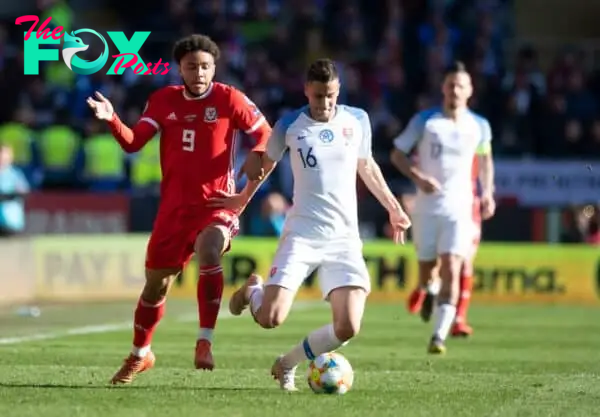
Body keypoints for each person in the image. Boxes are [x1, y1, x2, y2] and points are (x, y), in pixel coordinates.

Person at [213, 58, 411, 391]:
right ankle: (254, 291)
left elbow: (368, 167)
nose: (325, 103)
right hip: (302, 233)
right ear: (306, 90)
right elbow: (265, 170)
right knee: (270, 318)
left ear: (338, 91)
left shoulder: (357, 120)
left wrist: (394, 208)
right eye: (318, 96)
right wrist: (239, 202)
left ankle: (286, 364)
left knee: (347, 326)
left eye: (331, 95)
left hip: (344, 238)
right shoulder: (290, 124)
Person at [87, 34, 272, 384]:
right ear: (180, 70)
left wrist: (256, 155)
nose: (199, 72)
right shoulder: (162, 100)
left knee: (210, 250)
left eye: (205, 66)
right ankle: (140, 355)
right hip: (174, 210)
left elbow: (266, 133)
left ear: (214, 68)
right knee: (156, 286)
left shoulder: (230, 98)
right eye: (191, 67)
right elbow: (133, 143)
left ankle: (205, 341)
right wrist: (112, 118)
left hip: (216, 203)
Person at [390, 61, 495, 354]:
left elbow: (485, 161)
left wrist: (487, 192)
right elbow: (397, 153)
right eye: (450, 85)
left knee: (453, 265)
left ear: (470, 90)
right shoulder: (425, 121)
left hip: (460, 207)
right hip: (426, 207)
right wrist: (416, 176)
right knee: (428, 272)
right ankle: (429, 291)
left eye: (461, 85)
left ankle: (438, 336)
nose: (455, 90)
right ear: (443, 88)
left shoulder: (479, 126)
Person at [409, 157, 483, 338]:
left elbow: (486, 160)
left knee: (462, 262)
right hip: (437, 204)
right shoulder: (433, 133)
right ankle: (427, 287)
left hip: (468, 206)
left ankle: (459, 319)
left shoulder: (477, 130)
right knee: (433, 265)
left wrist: (488, 192)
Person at [0, 143, 30, 237]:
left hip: (11, 223)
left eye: (6, 156)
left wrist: (8, 196)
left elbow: (24, 192)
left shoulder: (15, 174)